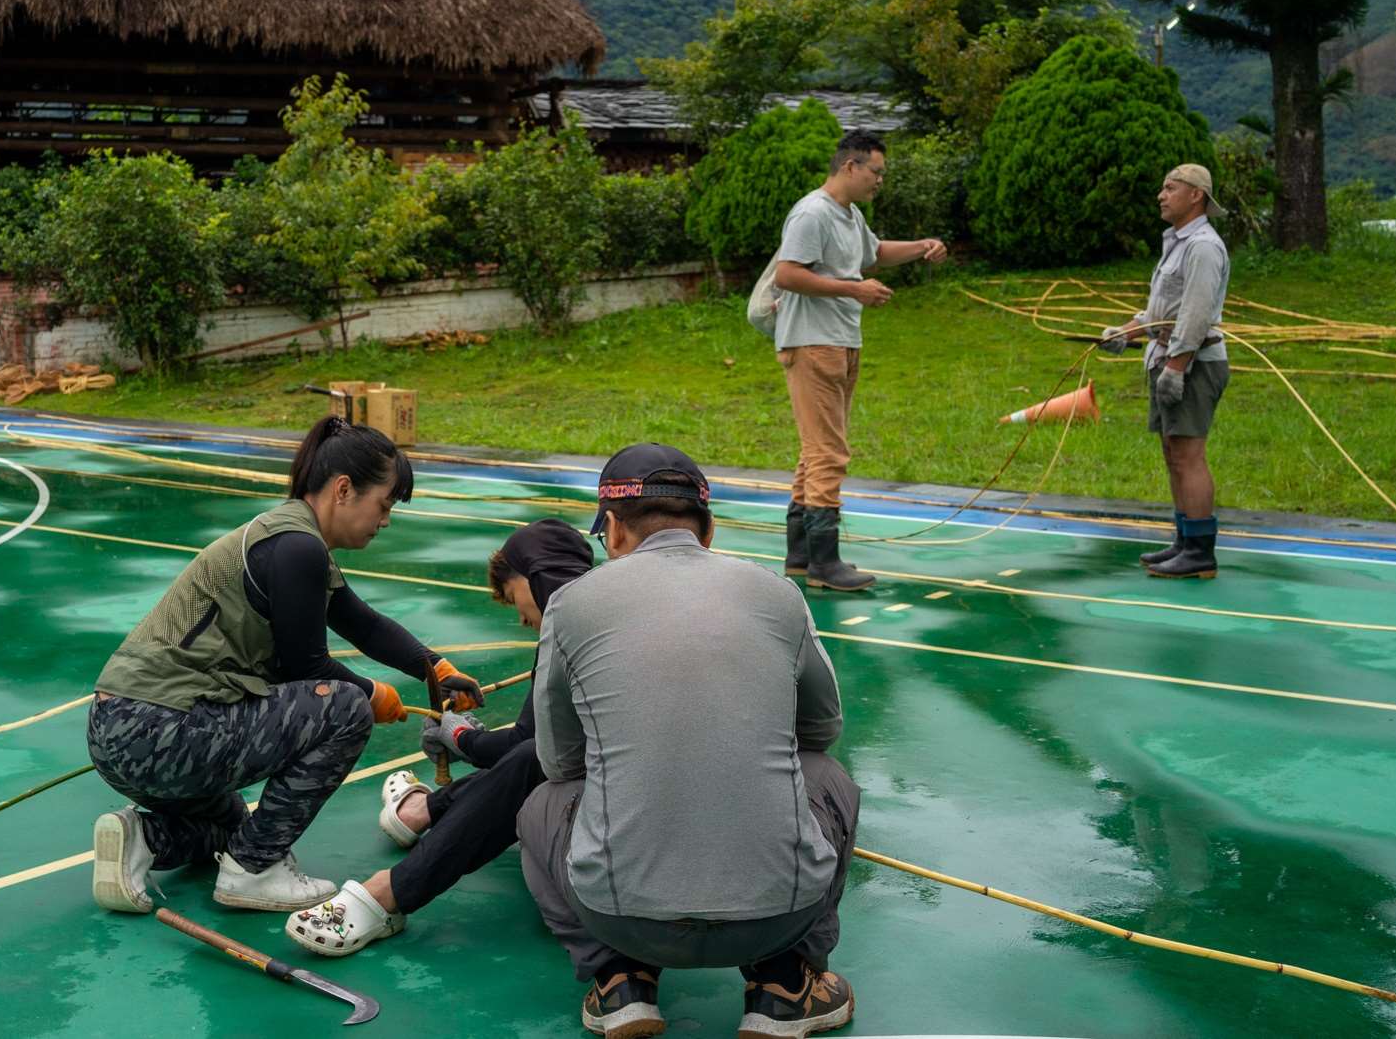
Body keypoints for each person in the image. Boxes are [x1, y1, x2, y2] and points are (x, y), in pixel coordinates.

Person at [518, 444, 860, 1039]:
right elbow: (824, 728)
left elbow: (559, 761)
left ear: (615, 529)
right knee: (827, 775)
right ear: (708, 529)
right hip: (780, 913)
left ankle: (619, 981)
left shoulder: (571, 603)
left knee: (540, 805)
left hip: (620, 915)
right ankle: (785, 985)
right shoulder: (778, 593)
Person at [86, 416, 484, 915]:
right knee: (344, 709)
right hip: (163, 730)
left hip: (120, 732)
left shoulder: (289, 536)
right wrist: (371, 695)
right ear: (344, 490)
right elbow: (307, 666)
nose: (385, 521)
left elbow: (363, 624)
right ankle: (255, 870)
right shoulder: (298, 547)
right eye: (383, 505)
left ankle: (142, 838)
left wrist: (436, 668)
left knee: (234, 826)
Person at [283, 518, 596, 957]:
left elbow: (532, 750)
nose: (523, 619)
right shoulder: (617, 618)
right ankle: (421, 811)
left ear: (536, 574)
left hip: (620, 858)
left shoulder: (569, 630)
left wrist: (461, 737)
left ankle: (395, 881)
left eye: (513, 599)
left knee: (532, 766)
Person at [772, 130, 947, 591]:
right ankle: (824, 564)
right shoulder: (812, 213)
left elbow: (875, 253)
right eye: (876, 172)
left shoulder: (850, 216)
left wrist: (922, 246)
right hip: (813, 342)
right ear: (850, 166)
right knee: (828, 452)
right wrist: (855, 289)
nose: (880, 181)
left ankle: (800, 554)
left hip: (841, 340)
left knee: (817, 451)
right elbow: (788, 274)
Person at [1099, 163, 1231, 579]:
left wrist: (1177, 367)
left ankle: (1200, 552)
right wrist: (1128, 330)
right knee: (1173, 452)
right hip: (1166, 359)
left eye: (1170, 188)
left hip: (1191, 365)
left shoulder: (1203, 247)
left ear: (1196, 196)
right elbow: (1164, 309)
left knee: (1189, 454)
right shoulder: (1176, 243)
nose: (1161, 194)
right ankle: (1185, 539)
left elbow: (1194, 315)